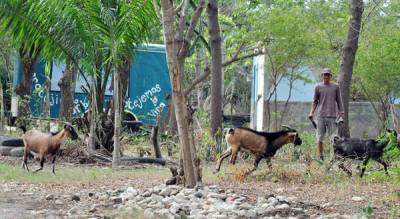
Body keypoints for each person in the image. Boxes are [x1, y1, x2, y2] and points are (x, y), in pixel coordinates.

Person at [308, 68, 344, 161]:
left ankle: (334, 158)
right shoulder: (318, 87)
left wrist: (341, 112)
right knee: (319, 138)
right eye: (324, 74)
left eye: (328, 75)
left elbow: (339, 100)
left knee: (334, 139)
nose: (326, 76)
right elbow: (314, 101)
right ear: (322, 76)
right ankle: (321, 158)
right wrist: (311, 112)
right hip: (321, 116)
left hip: (332, 116)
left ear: (330, 76)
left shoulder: (335, 87)